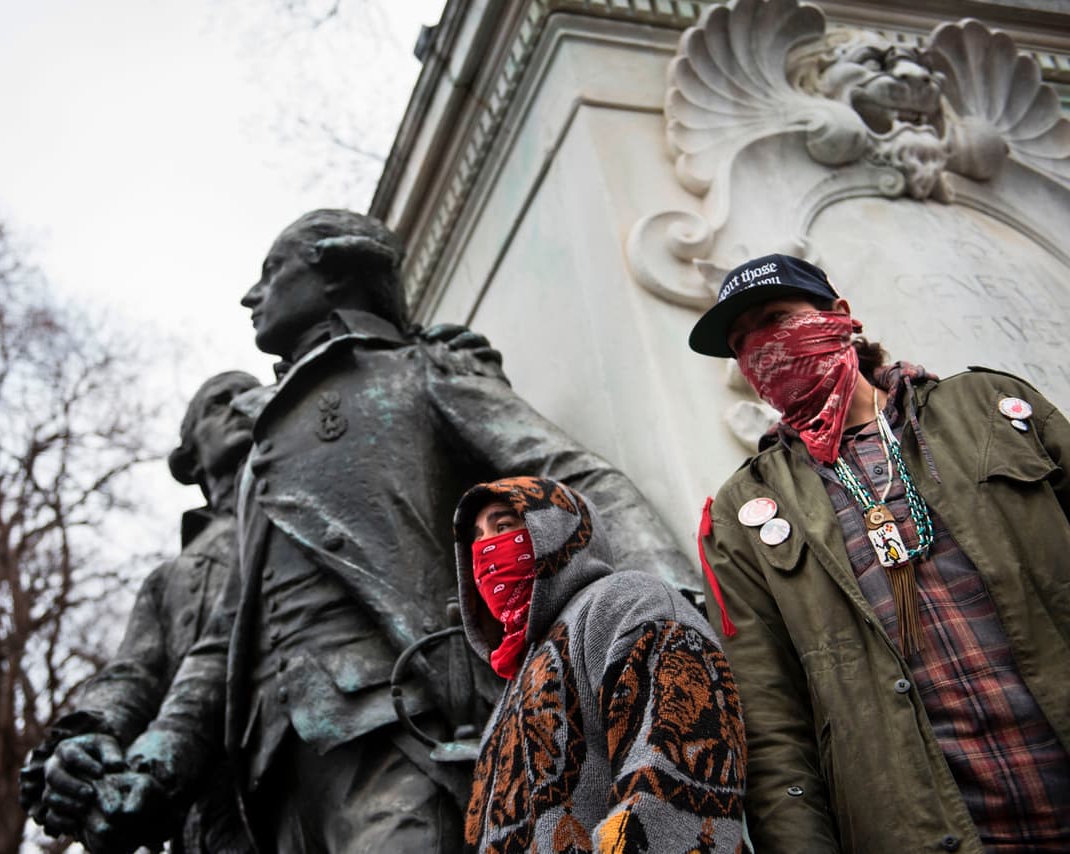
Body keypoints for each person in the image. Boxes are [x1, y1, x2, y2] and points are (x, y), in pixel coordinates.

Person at [103, 209, 692, 853]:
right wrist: (157, 759)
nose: (251, 295)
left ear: (335, 273)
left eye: (272, 272)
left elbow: (567, 473)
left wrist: (668, 604)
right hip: (273, 778)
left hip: (404, 730)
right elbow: (225, 637)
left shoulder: (415, 369)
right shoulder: (258, 458)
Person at [690, 253, 1070, 853]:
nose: (762, 347)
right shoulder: (746, 512)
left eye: (776, 317)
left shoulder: (988, 408)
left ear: (840, 316)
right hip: (932, 829)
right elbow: (770, 725)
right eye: (743, 341)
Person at [20, 370, 261, 853]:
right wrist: (89, 737)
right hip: (207, 808)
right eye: (220, 401)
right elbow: (133, 675)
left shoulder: (302, 504)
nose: (240, 404)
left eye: (249, 393)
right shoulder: (169, 578)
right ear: (190, 457)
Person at [454, 476, 746, 852]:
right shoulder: (516, 680)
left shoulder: (625, 603)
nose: (486, 548)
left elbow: (670, 784)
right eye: (477, 538)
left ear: (553, 528)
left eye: (504, 526)